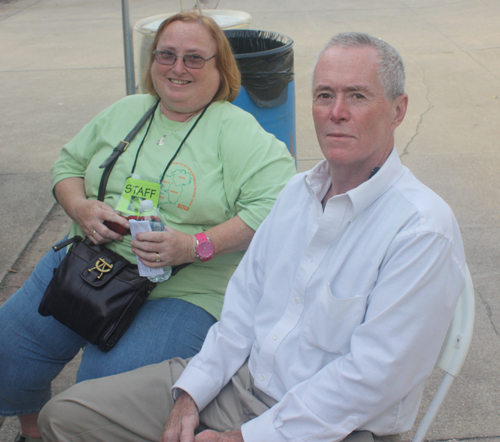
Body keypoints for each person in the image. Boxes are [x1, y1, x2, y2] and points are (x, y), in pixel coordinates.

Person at [38, 32, 467, 442]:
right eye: (324, 95)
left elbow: (371, 379)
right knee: (65, 418)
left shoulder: (421, 229)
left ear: (398, 109)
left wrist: (248, 436)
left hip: (336, 425)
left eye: (357, 95)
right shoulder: (297, 193)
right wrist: (191, 395)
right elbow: (240, 312)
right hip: (241, 382)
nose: (336, 111)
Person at [0, 11, 296, 442]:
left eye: (195, 59)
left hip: (182, 288)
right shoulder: (127, 111)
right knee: (9, 350)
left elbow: (275, 206)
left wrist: (195, 245)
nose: (178, 68)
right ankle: (35, 431)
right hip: (92, 264)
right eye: (167, 55)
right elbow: (68, 165)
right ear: (152, 61)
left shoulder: (237, 132)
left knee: (100, 396)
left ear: (221, 68)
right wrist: (81, 207)